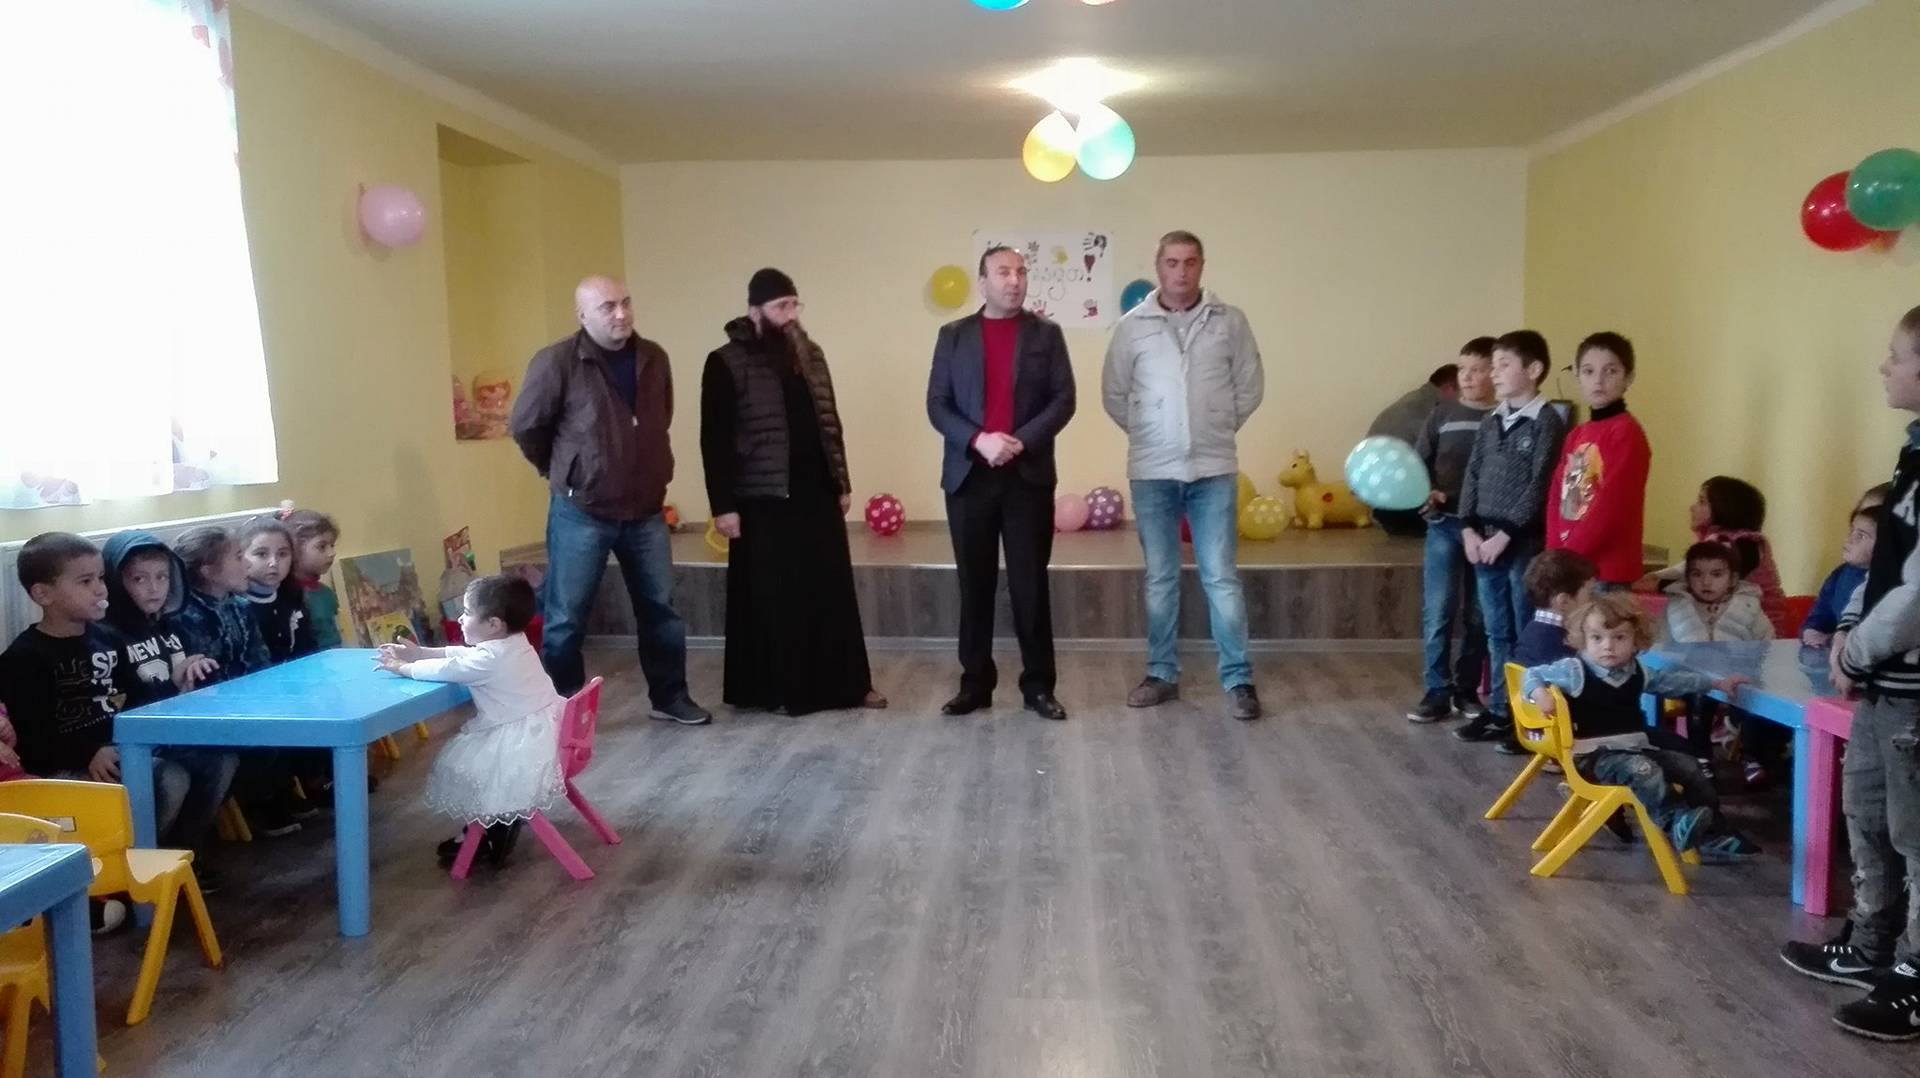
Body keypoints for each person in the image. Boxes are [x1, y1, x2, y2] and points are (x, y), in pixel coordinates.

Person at [510, 275, 709, 725]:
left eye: (625, 303)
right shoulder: (557, 361)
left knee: (661, 611)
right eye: (607, 307)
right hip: (582, 512)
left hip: (646, 511)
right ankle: (564, 711)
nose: (621, 314)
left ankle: (670, 698)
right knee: (565, 620)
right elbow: (527, 426)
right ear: (582, 315)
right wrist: (565, 471)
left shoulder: (654, 357)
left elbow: (659, 418)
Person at [700, 268, 885, 715]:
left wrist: (841, 481)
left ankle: (850, 686)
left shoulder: (810, 354)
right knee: (777, 598)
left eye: (794, 305)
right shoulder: (726, 362)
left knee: (831, 592)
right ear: (755, 311)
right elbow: (714, 440)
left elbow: (829, 422)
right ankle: (782, 691)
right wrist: (723, 506)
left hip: (815, 491)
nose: (791, 314)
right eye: (781, 306)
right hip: (763, 498)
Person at [1100, 230, 1265, 720]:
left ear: (1201, 266)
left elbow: (1250, 386)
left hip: (1214, 469)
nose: (1181, 271)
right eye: (1172, 262)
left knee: (1222, 577)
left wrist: (1216, 426)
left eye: (1190, 262)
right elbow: (1114, 394)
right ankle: (1161, 674)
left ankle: (1238, 679)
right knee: (1160, 579)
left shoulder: (1230, 321)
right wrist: (1151, 432)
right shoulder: (1131, 327)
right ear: (1158, 267)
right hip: (1152, 471)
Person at [0, 533, 235, 858]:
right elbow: (33, 738)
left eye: (100, 578)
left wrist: (175, 685)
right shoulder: (24, 657)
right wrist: (88, 752)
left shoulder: (108, 639)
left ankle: (179, 856)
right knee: (168, 777)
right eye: (85, 581)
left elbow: (137, 698)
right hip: (69, 767)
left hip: (126, 748)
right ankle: (136, 862)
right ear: (43, 594)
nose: (100, 589)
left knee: (217, 760)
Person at [927, 246, 1076, 721]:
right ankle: (975, 684)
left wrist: (1020, 441)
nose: (1014, 280)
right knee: (974, 584)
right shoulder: (953, 336)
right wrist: (979, 440)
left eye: (1021, 272)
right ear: (983, 282)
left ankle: (1038, 686)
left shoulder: (1046, 334)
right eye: (1003, 272)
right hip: (969, 476)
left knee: (1030, 584)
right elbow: (937, 404)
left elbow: (1063, 399)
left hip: (1026, 477)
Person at [1521, 594, 1756, 861]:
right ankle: (1674, 822)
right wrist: (1540, 694)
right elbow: (1531, 674)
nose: (1608, 646)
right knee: (1644, 770)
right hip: (1594, 756)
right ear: (1583, 640)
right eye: (1597, 638)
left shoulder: (1636, 671)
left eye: (1619, 638)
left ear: (1636, 641)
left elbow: (1673, 682)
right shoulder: (1574, 671)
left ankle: (1713, 831)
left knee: (1691, 767)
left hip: (1635, 748)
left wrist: (1715, 684)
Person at [378, 575, 564, 869]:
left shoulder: (488, 660)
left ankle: (492, 828)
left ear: (493, 625)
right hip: (550, 734)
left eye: (466, 612)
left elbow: (449, 668)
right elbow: (463, 655)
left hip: (522, 745)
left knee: (466, 770)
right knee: (478, 767)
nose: (460, 619)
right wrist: (421, 653)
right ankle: (500, 821)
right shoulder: (515, 642)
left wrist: (404, 668)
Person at [1455, 330, 1569, 743]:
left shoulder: (1547, 423)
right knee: (1496, 632)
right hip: (1483, 541)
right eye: (1495, 365)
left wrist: (1505, 534)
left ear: (1533, 369)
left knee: (1525, 631)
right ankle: (1503, 711)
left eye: (1504, 365)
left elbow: (1540, 485)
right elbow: (1473, 474)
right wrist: (1468, 528)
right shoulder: (1491, 420)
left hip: (1520, 544)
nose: (1495, 373)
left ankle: (1531, 718)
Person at [171, 525, 310, 835]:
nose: (246, 563)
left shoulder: (240, 606)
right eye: (237, 557)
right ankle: (257, 804)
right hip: (216, 709)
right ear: (208, 570)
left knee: (294, 712)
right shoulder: (187, 617)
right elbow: (206, 678)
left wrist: (269, 694)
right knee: (260, 738)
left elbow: (258, 658)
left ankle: (283, 791)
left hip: (246, 699)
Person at [1407, 337, 1497, 723]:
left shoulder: (1503, 417)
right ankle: (1436, 690)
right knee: (1438, 610)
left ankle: (1466, 689)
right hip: (1445, 525)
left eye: (1477, 370)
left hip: (1488, 531)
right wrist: (1426, 494)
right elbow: (1418, 464)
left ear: (1495, 373)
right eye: (1463, 370)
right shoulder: (1442, 414)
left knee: (1479, 614)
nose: (1468, 377)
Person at [1547, 332, 1650, 592]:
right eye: (1588, 371)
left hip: (1607, 570)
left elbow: (1613, 504)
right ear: (1577, 376)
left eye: (1610, 371)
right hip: (1571, 565)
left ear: (1628, 377)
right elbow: (1557, 495)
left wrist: (1570, 555)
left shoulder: (1626, 432)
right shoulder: (1576, 434)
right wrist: (1554, 554)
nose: (1598, 380)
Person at [1635, 476, 1787, 633]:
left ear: (1725, 508)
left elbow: (1714, 580)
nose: (1692, 508)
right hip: (1732, 622)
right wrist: (1654, 576)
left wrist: (1660, 583)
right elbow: (1685, 568)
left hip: (1761, 629)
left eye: (1702, 502)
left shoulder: (1745, 544)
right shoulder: (1717, 541)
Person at [1368, 362, 1460, 537]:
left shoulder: (1414, 401)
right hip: (1400, 498)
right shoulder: (1429, 411)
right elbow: (1441, 454)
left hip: (1380, 493)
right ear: (1449, 389)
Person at [239, 516, 316, 664]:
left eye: (282, 554)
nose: (273, 563)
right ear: (241, 557)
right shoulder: (234, 607)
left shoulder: (293, 596)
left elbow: (308, 651)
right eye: (261, 554)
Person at [1663, 541, 1772, 643]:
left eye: (1716, 574)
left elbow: (1767, 642)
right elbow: (1661, 645)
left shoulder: (1748, 607)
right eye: (1697, 574)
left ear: (1733, 579)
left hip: (1739, 658)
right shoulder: (1676, 607)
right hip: (1687, 658)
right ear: (1687, 579)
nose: (1706, 582)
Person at [1803, 509, 1875, 648]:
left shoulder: (1890, 584)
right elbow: (1822, 612)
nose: (1849, 539)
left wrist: (1833, 639)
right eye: (1851, 531)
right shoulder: (1840, 574)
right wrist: (1812, 630)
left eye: (1861, 535)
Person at [285, 509, 343, 649]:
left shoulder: (326, 593)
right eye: (322, 547)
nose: (332, 553)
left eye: (332, 546)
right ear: (294, 551)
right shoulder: (286, 598)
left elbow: (336, 636)